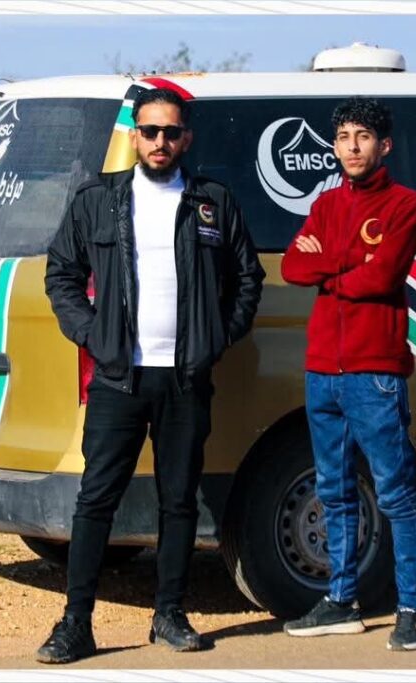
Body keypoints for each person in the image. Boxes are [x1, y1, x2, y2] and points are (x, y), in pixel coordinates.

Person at [40, 87, 264, 664]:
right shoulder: (98, 200)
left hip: (185, 380)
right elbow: (61, 273)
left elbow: (247, 277)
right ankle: (75, 623)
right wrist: (92, 334)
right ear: (135, 136)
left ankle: (169, 614)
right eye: (149, 131)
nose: (160, 141)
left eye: (170, 131)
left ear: (186, 138)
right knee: (96, 499)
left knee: (179, 501)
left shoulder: (212, 201)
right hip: (119, 378)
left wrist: (219, 337)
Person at [279, 97, 416, 651]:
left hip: (374, 373)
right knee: (334, 490)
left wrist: (329, 263)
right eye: (343, 137)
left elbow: (382, 277)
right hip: (323, 370)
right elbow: (293, 266)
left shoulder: (405, 203)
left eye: (362, 136)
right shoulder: (326, 204)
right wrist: (349, 260)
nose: (352, 146)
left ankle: (411, 610)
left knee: (395, 493)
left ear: (383, 145)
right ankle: (340, 601)